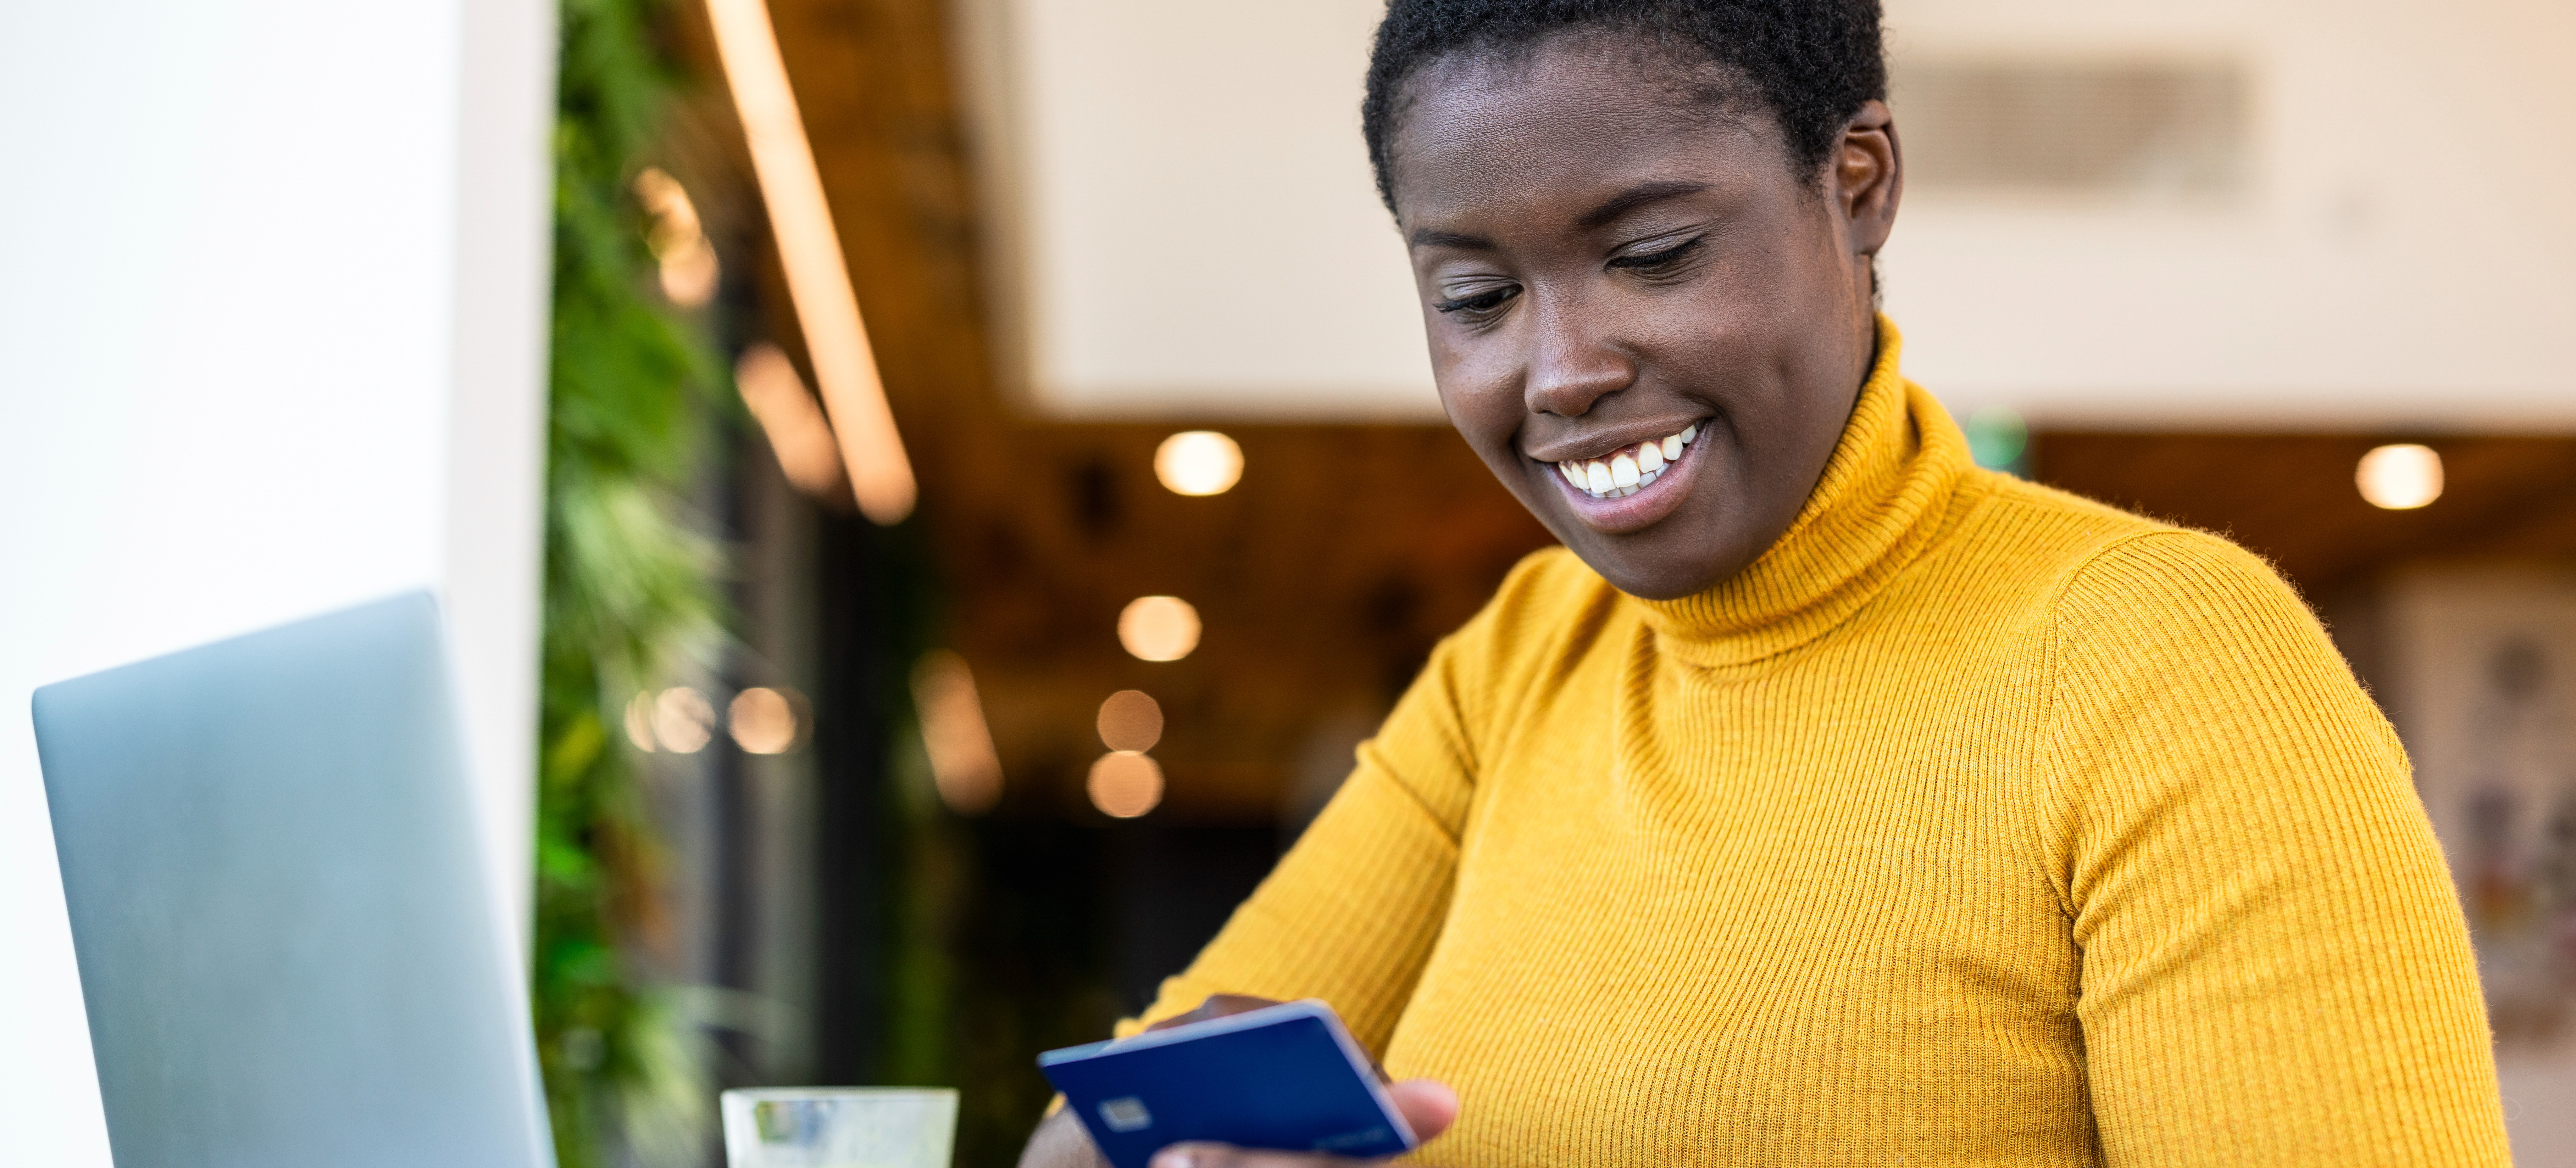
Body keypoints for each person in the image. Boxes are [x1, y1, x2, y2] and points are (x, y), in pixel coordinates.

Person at [1022, 1, 2509, 1164]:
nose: (1561, 369)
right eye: (1473, 295)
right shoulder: (1520, 662)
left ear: (1855, 184)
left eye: (1654, 255)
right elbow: (1104, 1123)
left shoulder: (2164, 661)